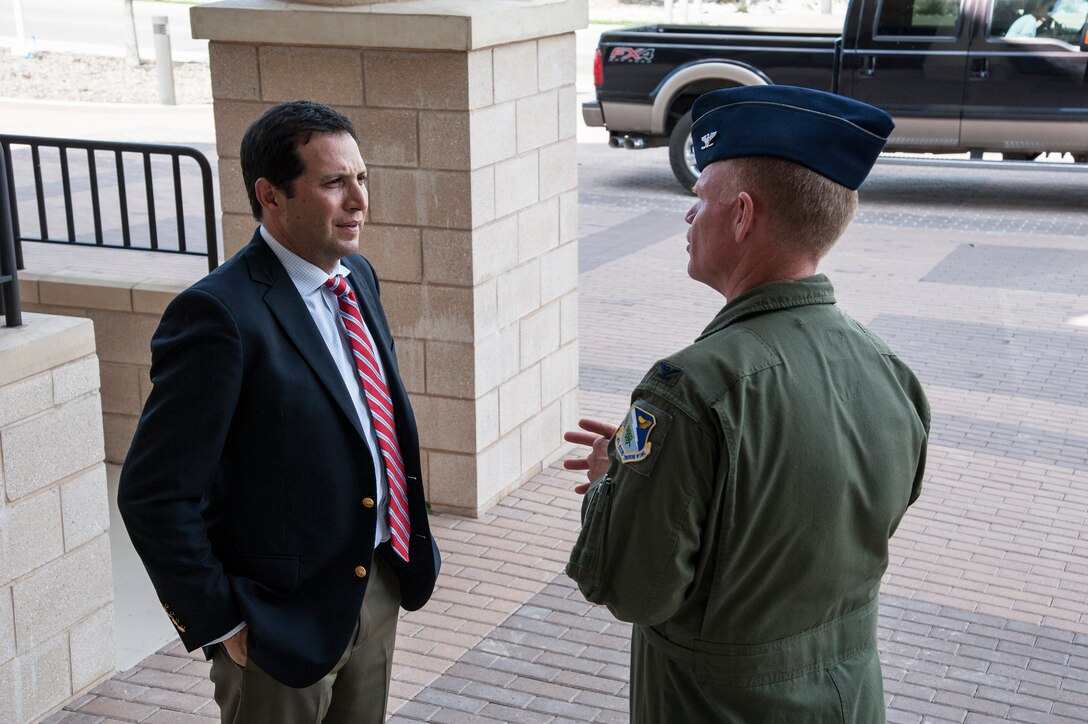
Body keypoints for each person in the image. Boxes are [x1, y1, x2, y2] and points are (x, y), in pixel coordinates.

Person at [563, 85, 930, 723]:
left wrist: (611, 481)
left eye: (699, 199)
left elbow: (634, 588)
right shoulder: (891, 370)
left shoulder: (687, 388)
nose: (687, 218)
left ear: (742, 215)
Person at [118, 100, 440, 723]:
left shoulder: (358, 277)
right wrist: (221, 620)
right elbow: (154, 495)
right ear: (271, 195)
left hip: (374, 583)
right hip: (275, 621)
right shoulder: (218, 315)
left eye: (361, 179)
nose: (358, 201)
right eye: (332, 183)